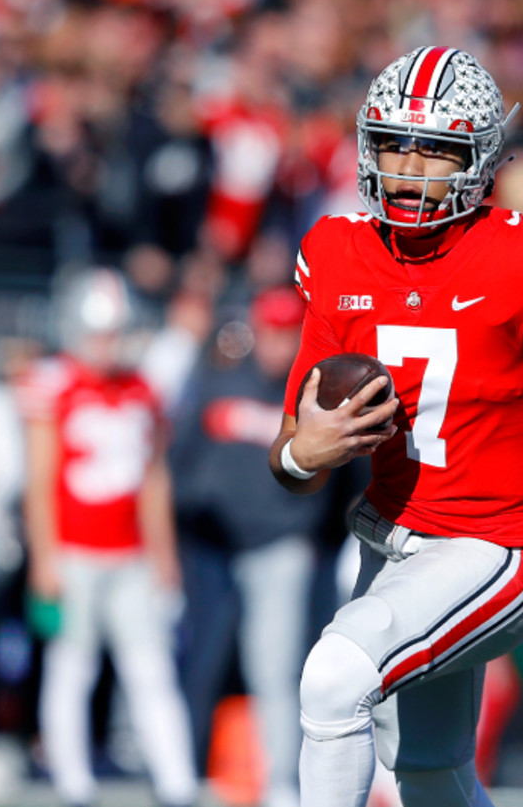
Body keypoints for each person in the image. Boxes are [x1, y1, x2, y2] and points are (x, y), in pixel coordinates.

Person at [268, 47, 523, 807]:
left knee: (333, 677)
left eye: (437, 148)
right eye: (394, 142)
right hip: (389, 542)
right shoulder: (339, 253)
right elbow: (287, 450)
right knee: (428, 770)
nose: (409, 166)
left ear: (483, 158)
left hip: (494, 549)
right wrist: (306, 453)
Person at [17, 267, 197, 807]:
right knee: (71, 668)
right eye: (98, 332)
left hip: (132, 558)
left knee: (151, 669)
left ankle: (176, 781)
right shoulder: (55, 384)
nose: (107, 344)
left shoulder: (142, 390)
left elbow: (153, 482)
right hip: (73, 552)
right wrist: (43, 559)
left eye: (114, 332)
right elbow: (41, 480)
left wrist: (165, 557)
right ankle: (73, 782)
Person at [174, 286, 327, 807]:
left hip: (278, 546)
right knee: (202, 660)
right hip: (211, 548)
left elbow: (336, 482)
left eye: (290, 333)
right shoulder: (219, 380)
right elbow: (182, 461)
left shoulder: (316, 398)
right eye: (272, 332)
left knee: (274, 666)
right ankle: (188, 773)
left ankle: (281, 782)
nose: (279, 344)